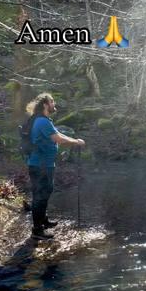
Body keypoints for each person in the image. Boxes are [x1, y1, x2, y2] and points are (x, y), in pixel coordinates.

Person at [25, 93, 85, 240]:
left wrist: (75, 140)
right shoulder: (42, 121)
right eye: (52, 101)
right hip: (40, 165)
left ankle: (43, 220)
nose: (54, 103)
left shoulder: (45, 120)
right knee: (40, 196)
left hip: (45, 164)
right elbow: (58, 138)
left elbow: (58, 134)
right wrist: (76, 143)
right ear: (45, 105)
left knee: (46, 192)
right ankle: (37, 230)